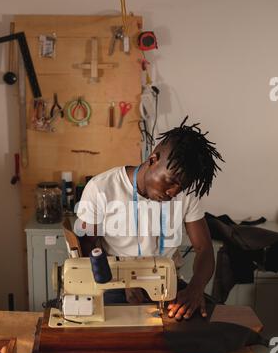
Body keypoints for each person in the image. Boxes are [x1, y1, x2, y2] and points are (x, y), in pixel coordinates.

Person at [75, 116, 224, 320]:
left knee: (203, 328)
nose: (173, 192)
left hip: (166, 283)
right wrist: (121, 281)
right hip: (116, 285)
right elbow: (86, 249)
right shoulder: (102, 188)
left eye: (181, 187)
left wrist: (195, 288)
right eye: (170, 182)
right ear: (153, 159)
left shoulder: (185, 194)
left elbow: (204, 248)